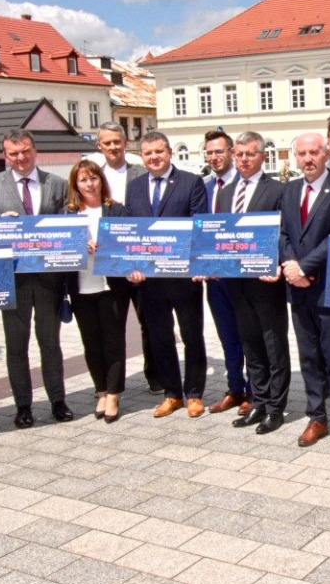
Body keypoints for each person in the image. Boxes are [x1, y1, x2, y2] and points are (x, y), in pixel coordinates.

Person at [0, 128, 73, 426]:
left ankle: (58, 401)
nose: (20, 157)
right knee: (17, 346)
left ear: (35, 150)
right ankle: (23, 406)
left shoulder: (56, 184)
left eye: (25, 151)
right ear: (5, 155)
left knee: (50, 343)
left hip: (48, 279)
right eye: (13, 153)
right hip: (12, 279)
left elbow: (70, 222)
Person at [278, 132, 330, 447]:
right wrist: (290, 266)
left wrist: (304, 267)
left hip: (329, 288)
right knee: (309, 356)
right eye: (302, 153)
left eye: (314, 152)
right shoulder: (289, 191)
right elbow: (284, 233)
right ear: (295, 157)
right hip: (298, 290)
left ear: (326, 154)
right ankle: (316, 417)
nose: (308, 159)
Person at [124, 131, 210, 416]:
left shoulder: (190, 182)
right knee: (159, 337)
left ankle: (195, 393)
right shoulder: (133, 187)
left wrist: (199, 263)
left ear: (169, 152)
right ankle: (172, 393)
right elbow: (131, 232)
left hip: (184, 276)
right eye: (148, 153)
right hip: (149, 280)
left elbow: (200, 226)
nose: (154, 157)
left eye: (158, 152)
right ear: (142, 157)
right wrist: (131, 266)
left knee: (191, 334)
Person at [221, 132, 292, 434]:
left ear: (263, 156)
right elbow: (219, 235)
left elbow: (284, 232)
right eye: (239, 154)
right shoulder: (225, 193)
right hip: (237, 283)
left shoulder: (277, 190)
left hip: (266, 282)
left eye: (250, 154)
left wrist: (277, 264)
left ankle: (276, 408)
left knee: (273, 346)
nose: (243, 159)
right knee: (251, 345)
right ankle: (259, 401)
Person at [65, 160, 130, 422]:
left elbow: (128, 244)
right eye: (83, 180)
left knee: (113, 341)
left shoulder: (117, 210)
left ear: (101, 180)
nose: (89, 184)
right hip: (81, 287)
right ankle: (101, 390)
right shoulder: (68, 214)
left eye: (94, 178)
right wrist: (80, 247)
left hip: (111, 286)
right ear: (75, 184)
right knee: (91, 343)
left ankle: (114, 393)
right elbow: (60, 251)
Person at [95, 121, 155, 393]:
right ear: (100, 146)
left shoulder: (141, 172)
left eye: (117, 142)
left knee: (149, 322)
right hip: (109, 262)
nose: (113, 147)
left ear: (125, 143)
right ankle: (113, 385)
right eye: (107, 143)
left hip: (140, 259)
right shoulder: (93, 175)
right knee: (113, 325)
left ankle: (156, 376)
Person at [196, 129, 249, 416]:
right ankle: (234, 387)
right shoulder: (201, 187)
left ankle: (255, 390)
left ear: (231, 152)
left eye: (219, 151)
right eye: (210, 152)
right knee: (227, 335)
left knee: (249, 335)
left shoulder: (245, 184)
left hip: (244, 277)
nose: (215, 157)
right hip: (215, 278)